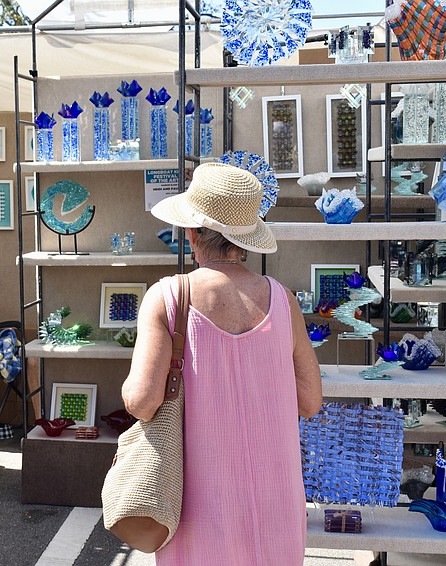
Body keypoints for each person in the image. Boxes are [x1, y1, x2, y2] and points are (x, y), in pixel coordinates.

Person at [121, 162, 323, 565]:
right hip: (274, 503)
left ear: (192, 232)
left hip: (198, 504)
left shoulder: (168, 298)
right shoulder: (285, 302)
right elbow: (310, 401)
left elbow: (142, 402)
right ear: (245, 239)